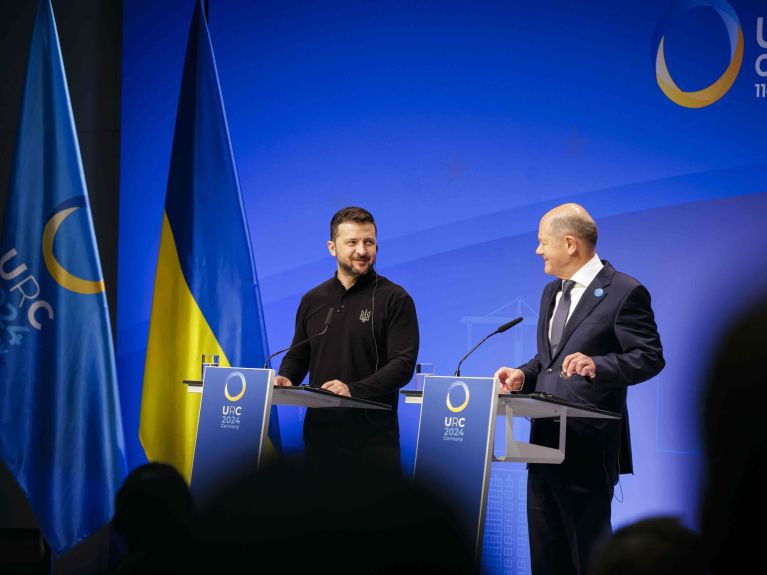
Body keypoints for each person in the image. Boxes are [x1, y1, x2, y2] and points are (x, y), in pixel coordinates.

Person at [494, 203, 665, 575]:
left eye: (543, 243)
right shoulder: (550, 293)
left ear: (570, 243)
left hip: (588, 448)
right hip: (542, 446)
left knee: (588, 560)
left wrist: (598, 365)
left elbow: (650, 357)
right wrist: (523, 375)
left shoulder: (624, 291)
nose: (538, 251)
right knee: (546, 559)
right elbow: (548, 361)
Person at [276, 206, 419, 475]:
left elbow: (403, 364)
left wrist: (353, 389)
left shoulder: (395, 299)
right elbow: (299, 354)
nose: (362, 251)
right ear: (332, 247)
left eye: (369, 242)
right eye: (352, 242)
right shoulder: (313, 300)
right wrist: (286, 378)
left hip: (374, 442)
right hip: (320, 438)